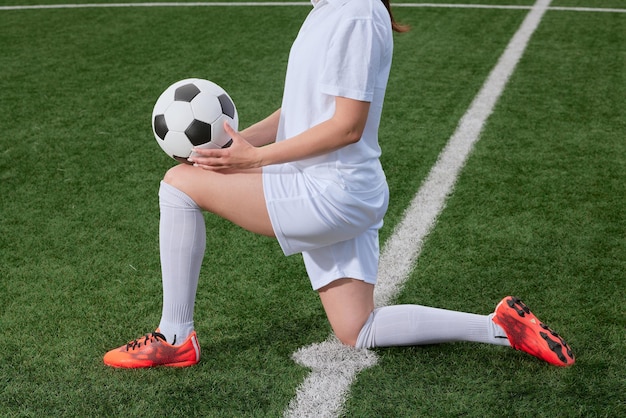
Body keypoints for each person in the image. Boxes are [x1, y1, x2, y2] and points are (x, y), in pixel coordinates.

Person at [103, 0, 575, 369]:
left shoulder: (357, 15)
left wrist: (256, 159)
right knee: (357, 328)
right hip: (340, 188)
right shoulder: (328, 12)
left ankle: (175, 335)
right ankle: (499, 326)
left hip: (330, 192)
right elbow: (301, 114)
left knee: (179, 183)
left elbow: (347, 126)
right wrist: (241, 145)